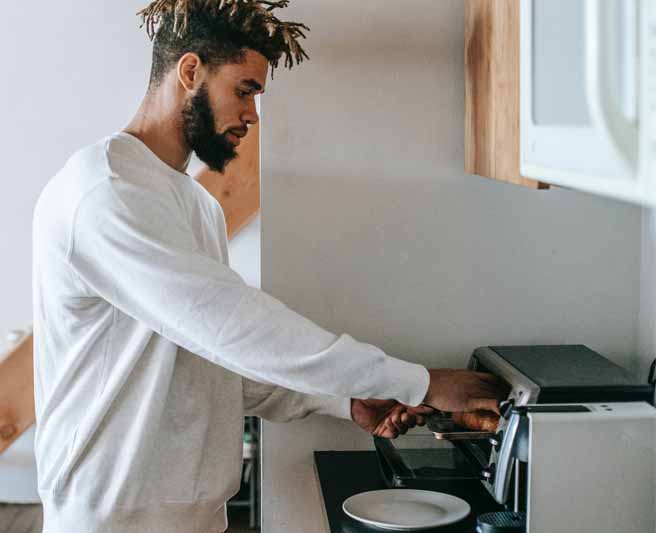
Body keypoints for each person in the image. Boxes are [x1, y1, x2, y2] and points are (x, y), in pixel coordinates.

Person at [31, 2, 505, 532]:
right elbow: (233, 326)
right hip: (110, 519)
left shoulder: (195, 204)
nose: (253, 116)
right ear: (190, 72)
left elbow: (210, 365)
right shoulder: (106, 193)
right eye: (244, 90)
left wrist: (341, 400)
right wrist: (420, 382)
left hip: (194, 517)